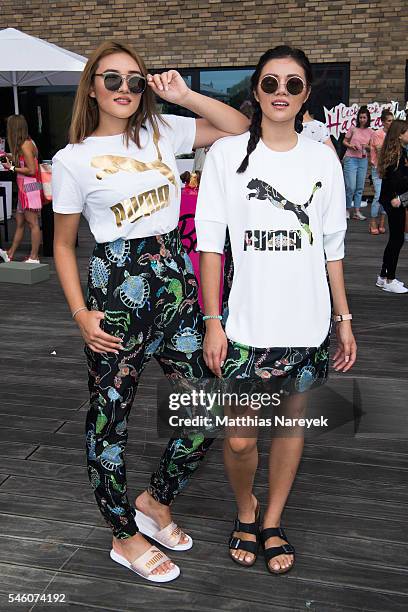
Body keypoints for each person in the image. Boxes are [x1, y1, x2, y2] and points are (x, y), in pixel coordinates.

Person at [52, 40, 249, 583]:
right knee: (109, 419)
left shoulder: (163, 132)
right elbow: (64, 245)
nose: (123, 90)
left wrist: (184, 94)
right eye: (112, 79)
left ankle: (156, 501)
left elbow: (237, 128)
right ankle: (123, 533)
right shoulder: (72, 159)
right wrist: (79, 314)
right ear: (91, 85)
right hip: (116, 290)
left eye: (135, 81)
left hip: (176, 280)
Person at [196, 45, 356, 575]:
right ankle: (246, 508)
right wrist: (213, 321)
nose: (281, 93)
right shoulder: (226, 155)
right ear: (256, 91)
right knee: (241, 438)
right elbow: (211, 245)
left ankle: (271, 521)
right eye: (270, 83)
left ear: (307, 93)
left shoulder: (322, 157)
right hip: (243, 327)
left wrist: (343, 319)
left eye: (293, 84)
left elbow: (331, 246)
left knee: (291, 430)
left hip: (306, 324)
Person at [0, 115, 43, 264]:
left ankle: (34, 257)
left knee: (33, 223)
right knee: (20, 222)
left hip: (29, 188)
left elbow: (31, 170)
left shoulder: (25, 145)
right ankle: (10, 253)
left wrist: (11, 167)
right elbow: (25, 160)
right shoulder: (27, 143)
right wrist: (8, 156)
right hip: (25, 188)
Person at [375, 120, 408, 293]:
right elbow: (397, 180)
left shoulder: (397, 152)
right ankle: (389, 278)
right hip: (395, 201)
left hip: (393, 199)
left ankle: (383, 276)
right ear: (400, 134)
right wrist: (400, 198)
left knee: (395, 239)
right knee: (397, 239)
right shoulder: (397, 155)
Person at [342, 105, 374, 221]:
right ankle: (346, 210)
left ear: (368, 118)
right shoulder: (353, 129)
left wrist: (368, 147)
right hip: (351, 159)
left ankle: (356, 212)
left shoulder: (371, 132)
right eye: (360, 117)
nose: (362, 120)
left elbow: (372, 147)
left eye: (364, 117)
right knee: (350, 187)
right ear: (358, 118)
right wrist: (351, 145)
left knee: (360, 187)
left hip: (363, 160)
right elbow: (344, 141)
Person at [369, 109, 394, 234]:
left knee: (386, 196)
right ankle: (373, 221)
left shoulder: (393, 134)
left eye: (392, 120)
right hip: (378, 169)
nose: (391, 123)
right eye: (389, 121)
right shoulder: (378, 134)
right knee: (378, 195)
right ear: (383, 122)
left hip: (390, 169)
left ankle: (382, 221)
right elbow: (380, 152)